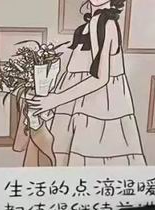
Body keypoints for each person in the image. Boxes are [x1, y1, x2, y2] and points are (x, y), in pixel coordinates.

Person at [28, 0, 146, 166]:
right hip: (81, 101)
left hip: (96, 105)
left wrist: (55, 100)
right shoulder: (93, 22)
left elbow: (100, 78)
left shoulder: (104, 23)